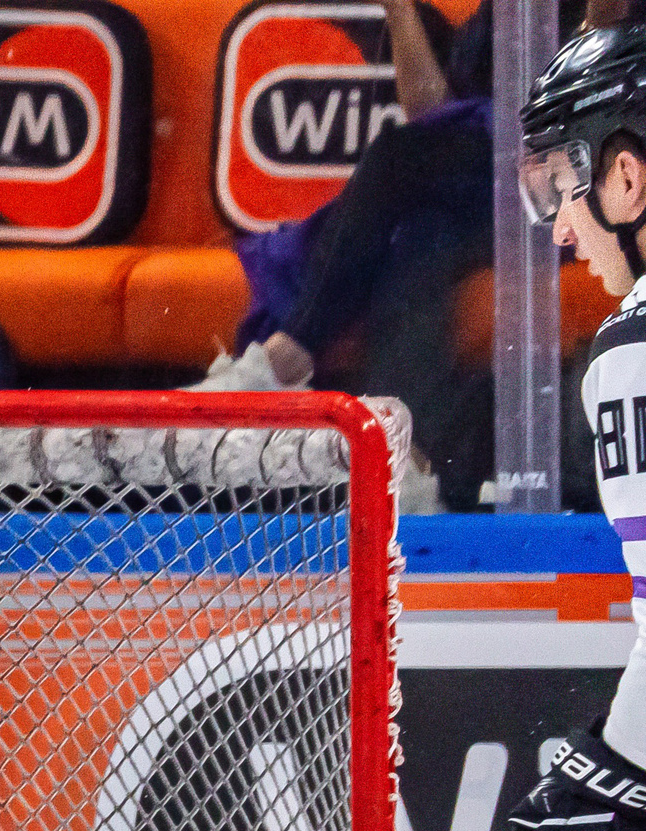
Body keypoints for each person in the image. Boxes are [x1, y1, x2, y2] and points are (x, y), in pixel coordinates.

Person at [194, 0, 621, 500]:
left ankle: (290, 357)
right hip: (485, 189)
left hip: (569, 181)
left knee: (397, 159)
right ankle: (421, 470)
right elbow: (431, 113)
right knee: (421, 236)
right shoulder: (495, 17)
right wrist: (400, 9)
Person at [505, 26, 646, 831]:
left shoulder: (635, 355)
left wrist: (618, 775)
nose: (560, 223)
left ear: (628, 178)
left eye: (566, 183)